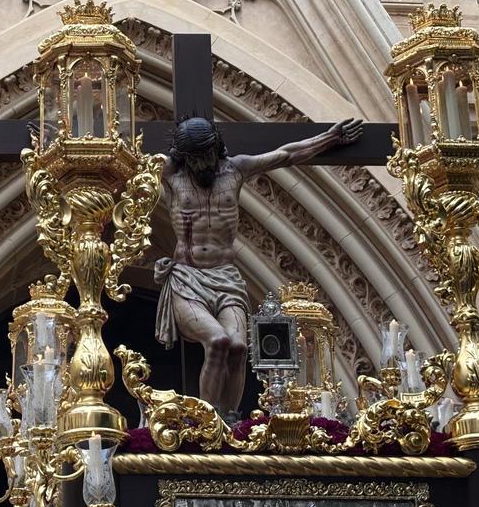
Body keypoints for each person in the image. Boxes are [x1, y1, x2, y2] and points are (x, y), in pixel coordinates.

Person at [155, 115, 363, 416]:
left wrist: (331, 138)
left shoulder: (236, 169)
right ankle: (208, 419)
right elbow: (124, 161)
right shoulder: (170, 175)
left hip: (225, 277)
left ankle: (230, 417)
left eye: (209, 155)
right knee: (217, 340)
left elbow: (286, 154)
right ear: (184, 157)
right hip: (189, 278)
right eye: (197, 158)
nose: (204, 164)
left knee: (238, 347)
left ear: (217, 148)